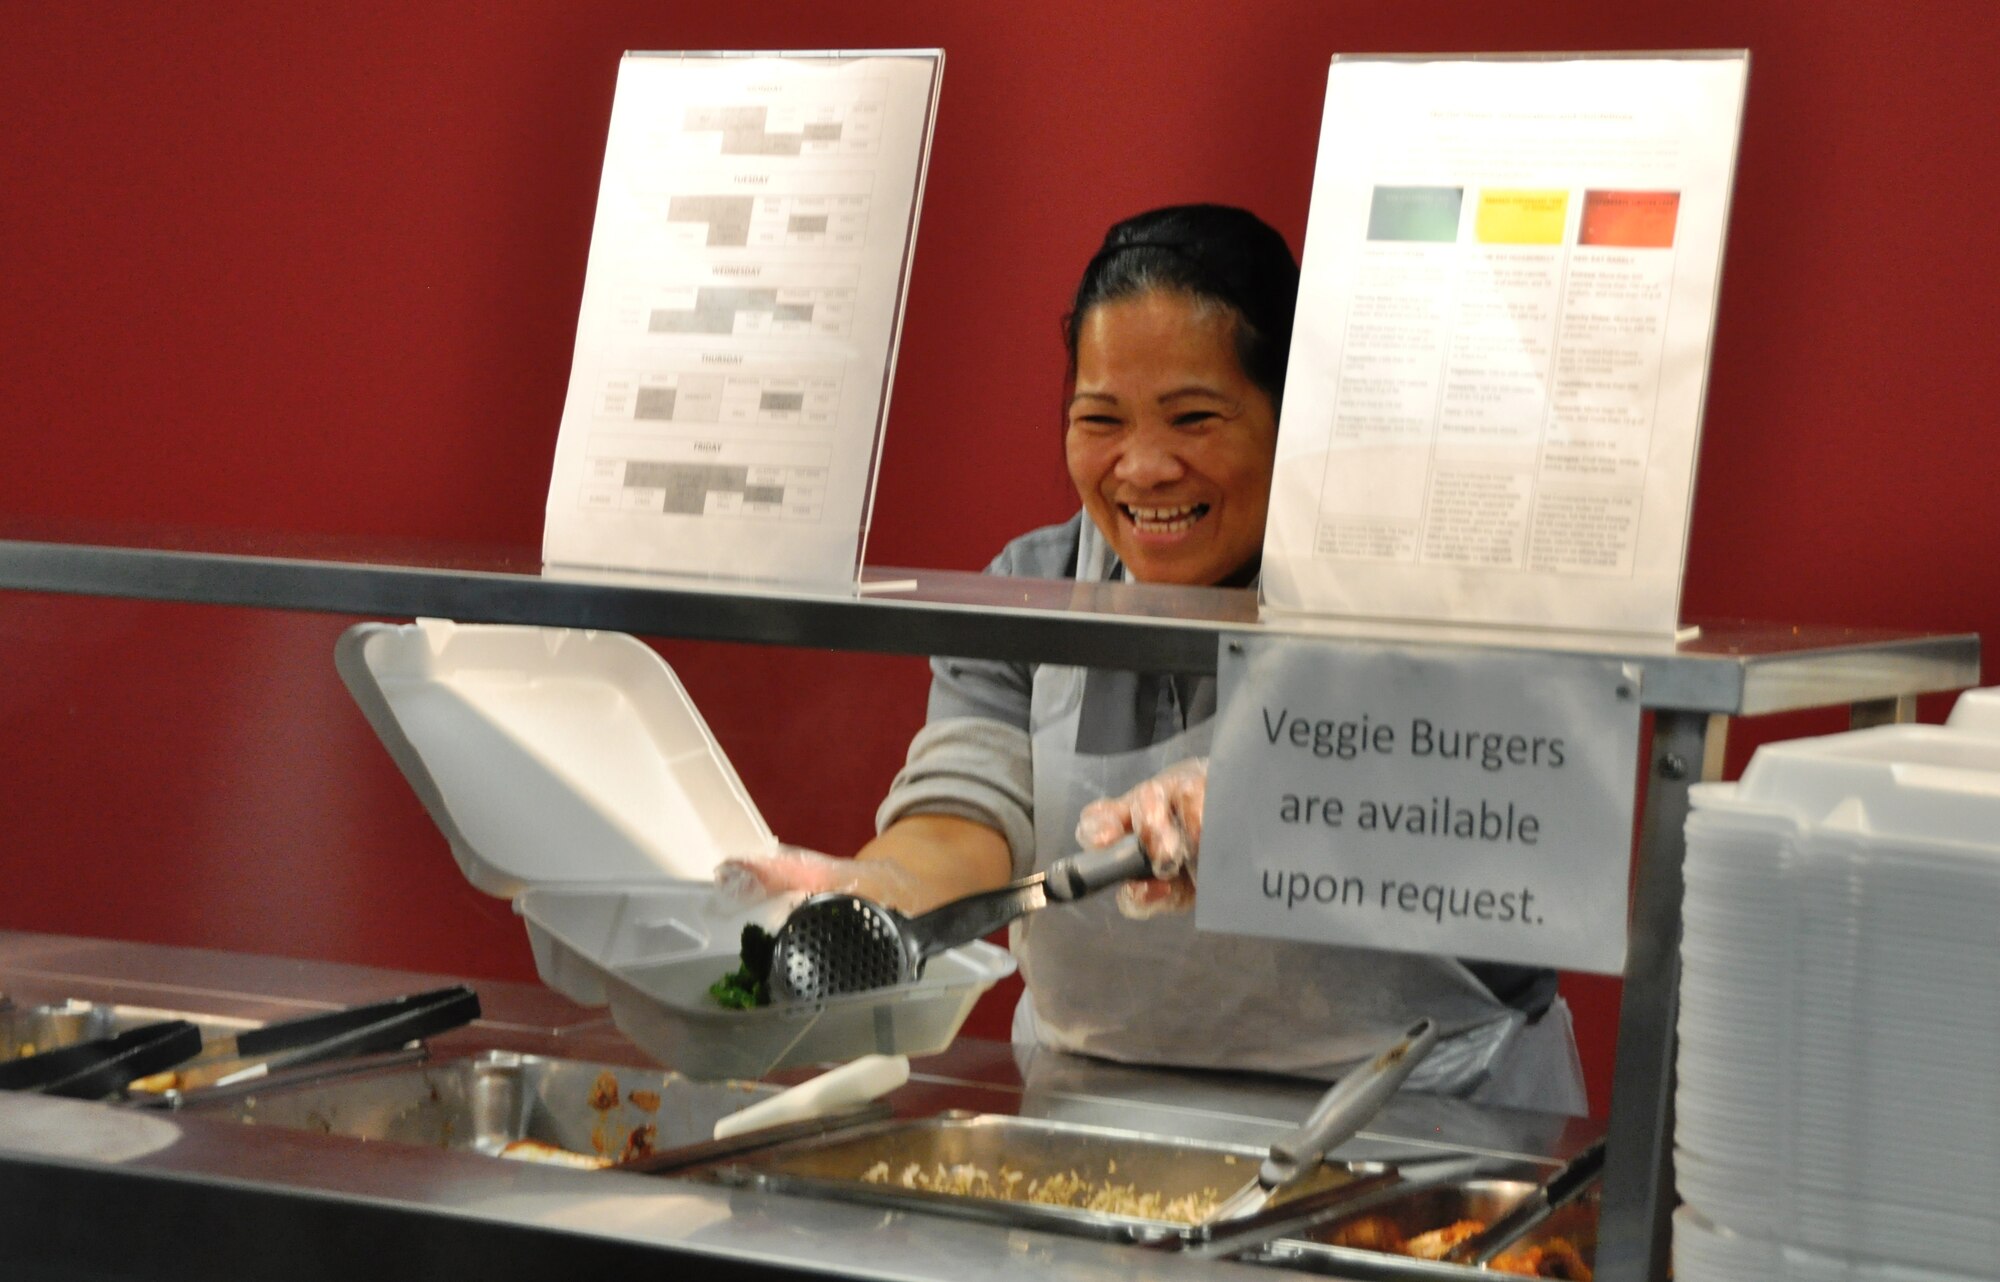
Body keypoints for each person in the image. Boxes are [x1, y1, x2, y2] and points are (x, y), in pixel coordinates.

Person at [723, 204, 1587, 1115]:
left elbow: (1455, 796)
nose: (1141, 468)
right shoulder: (1035, 587)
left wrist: (1272, 802)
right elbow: (963, 811)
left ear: (1295, 420)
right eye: (1100, 419)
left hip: (1425, 1131)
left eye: (1194, 417)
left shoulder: (1415, 584)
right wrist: (879, 889)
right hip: (1095, 1130)